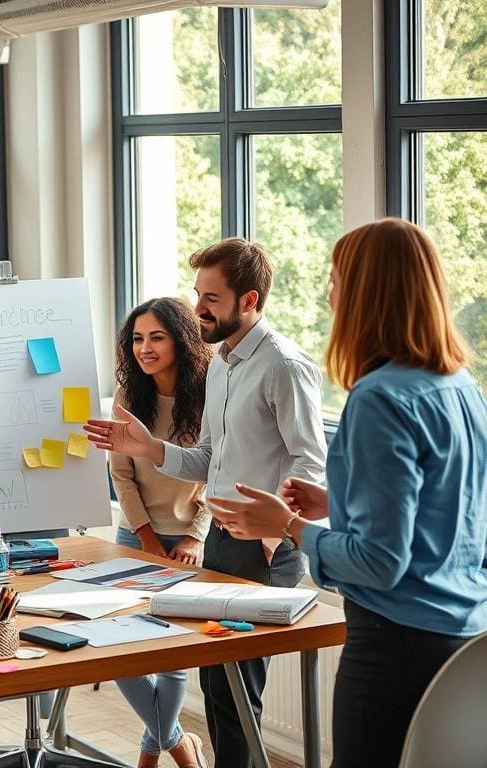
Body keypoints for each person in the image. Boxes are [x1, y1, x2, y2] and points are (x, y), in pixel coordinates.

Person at [207, 218, 487, 768]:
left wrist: (287, 525)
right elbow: (452, 510)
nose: (329, 293)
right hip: (464, 639)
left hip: (395, 646)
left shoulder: (379, 398)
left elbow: (381, 563)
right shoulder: (461, 388)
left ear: (366, 292)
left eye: (336, 279)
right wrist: (338, 505)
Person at [85, 238, 327, 768]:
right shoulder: (222, 362)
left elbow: (310, 463)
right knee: (217, 687)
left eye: (211, 298)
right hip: (221, 538)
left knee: (241, 691)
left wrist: (272, 538)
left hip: (262, 547)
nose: (198, 308)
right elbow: (211, 459)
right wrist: (150, 450)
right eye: (198, 294)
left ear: (249, 300)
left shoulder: (284, 365)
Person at [110, 297, 212, 768]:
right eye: (136, 339)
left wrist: (195, 534)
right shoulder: (129, 396)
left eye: (156, 337)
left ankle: (151, 754)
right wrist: (146, 537)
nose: (144, 349)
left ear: (182, 340)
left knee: (172, 655)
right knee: (119, 648)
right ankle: (180, 746)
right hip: (138, 535)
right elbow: (122, 475)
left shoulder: (214, 390)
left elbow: (222, 472)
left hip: (192, 539)